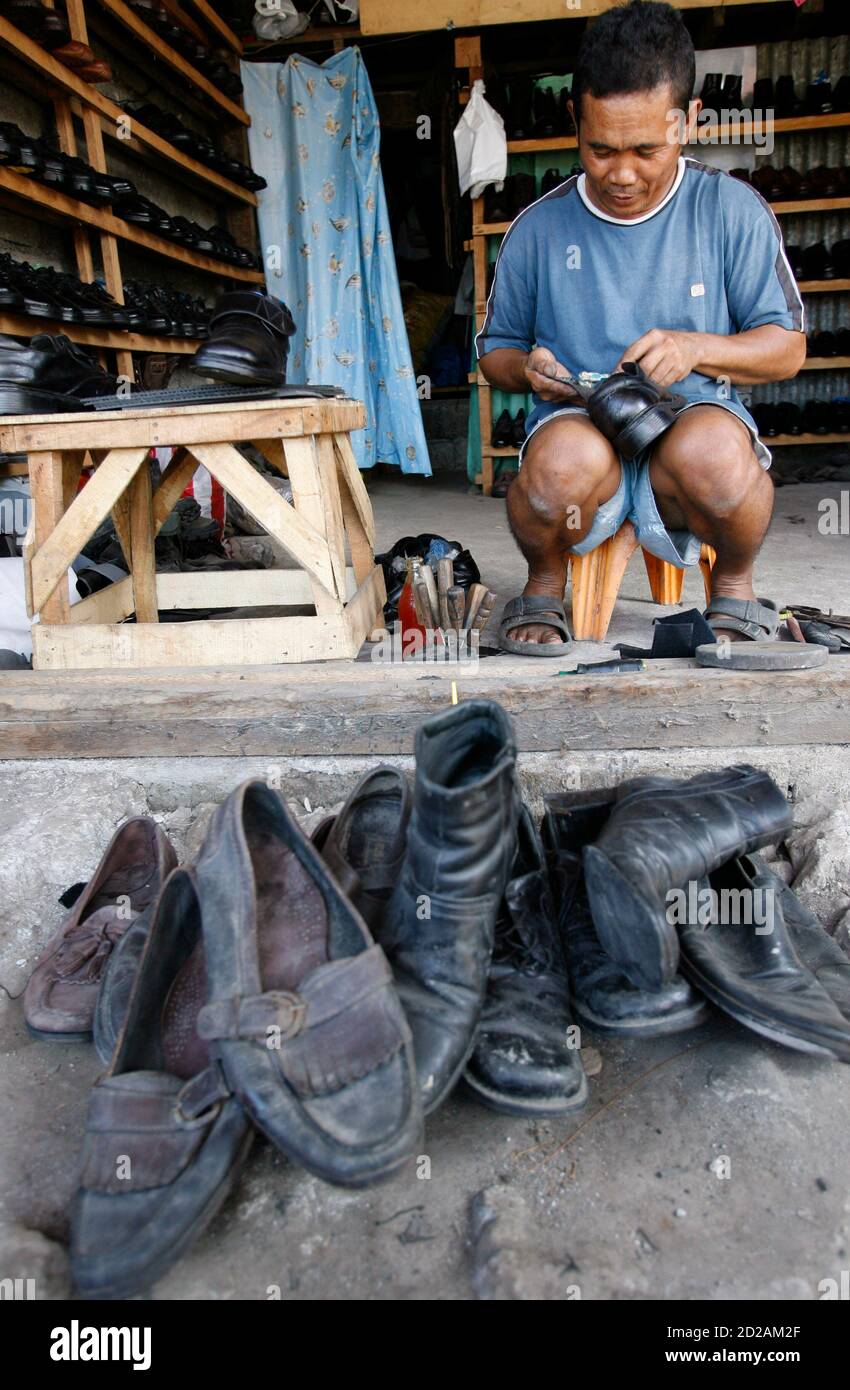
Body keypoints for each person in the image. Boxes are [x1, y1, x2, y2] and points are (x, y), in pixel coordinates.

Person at [477, 0, 805, 653]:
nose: (621, 173)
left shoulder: (730, 211)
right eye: (599, 149)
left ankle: (734, 586)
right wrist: (528, 368)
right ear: (575, 120)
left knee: (716, 456)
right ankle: (545, 581)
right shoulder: (538, 229)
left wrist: (696, 347)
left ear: (688, 121)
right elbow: (496, 354)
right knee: (556, 470)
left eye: (645, 149)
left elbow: (787, 348)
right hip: (583, 431)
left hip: (689, 432)